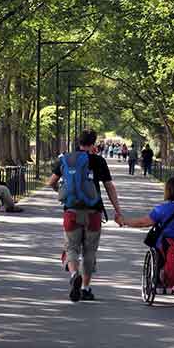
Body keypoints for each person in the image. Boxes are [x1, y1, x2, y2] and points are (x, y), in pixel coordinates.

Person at [49, 129, 124, 302]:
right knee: (90, 250)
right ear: (93, 143)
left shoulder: (66, 159)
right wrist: (117, 211)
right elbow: (109, 187)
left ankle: (74, 274)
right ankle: (85, 287)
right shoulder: (98, 161)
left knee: (72, 248)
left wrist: (63, 192)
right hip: (93, 213)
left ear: (78, 142)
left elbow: (51, 182)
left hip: (71, 211)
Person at [123, 176, 174, 284]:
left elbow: (142, 223)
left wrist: (125, 221)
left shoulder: (161, 209)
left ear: (167, 191)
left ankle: (160, 276)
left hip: (165, 245)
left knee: (157, 247)